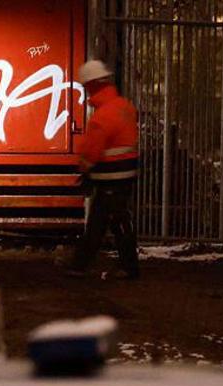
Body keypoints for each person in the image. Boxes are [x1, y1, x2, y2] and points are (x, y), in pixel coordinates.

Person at [69, 60, 141, 280]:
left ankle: (127, 268)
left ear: (91, 86)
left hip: (110, 175)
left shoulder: (102, 116)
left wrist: (85, 170)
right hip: (126, 172)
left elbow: (92, 151)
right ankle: (81, 264)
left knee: (109, 222)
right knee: (107, 221)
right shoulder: (124, 106)